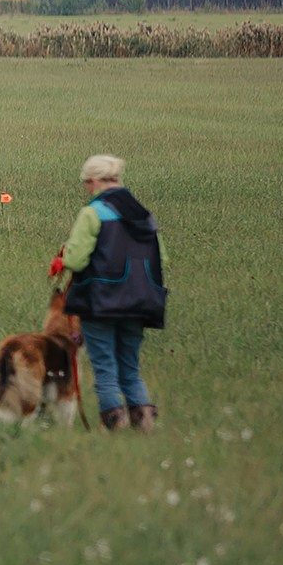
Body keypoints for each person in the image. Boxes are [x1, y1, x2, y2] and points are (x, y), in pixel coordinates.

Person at [58, 153, 168, 431]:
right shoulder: (143, 214)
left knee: (105, 368)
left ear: (94, 181)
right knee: (130, 368)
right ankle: (144, 425)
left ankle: (115, 428)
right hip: (141, 303)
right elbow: (162, 258)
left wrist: (63, 257)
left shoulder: (92, 212)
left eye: (86, 184)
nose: (87, 189)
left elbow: (75, 261)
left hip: (101, 302)